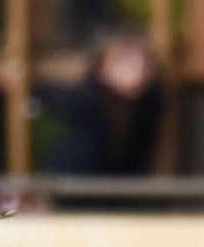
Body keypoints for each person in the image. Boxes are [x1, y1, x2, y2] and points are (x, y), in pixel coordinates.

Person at [42, 30, 164, 181]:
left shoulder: (150, 104)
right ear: (103, 67)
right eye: (124, 61)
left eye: (141, 62)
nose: (135, 69)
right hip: (75, 185)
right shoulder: (85, 99)